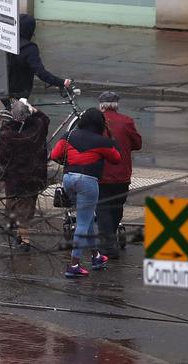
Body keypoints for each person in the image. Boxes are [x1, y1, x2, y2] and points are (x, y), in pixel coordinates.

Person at [50, 108, 120, 278]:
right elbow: (116, 158)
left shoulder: (68, 136)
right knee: (82, 222)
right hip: (88, 182)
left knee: (86, 219)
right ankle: (74, 264)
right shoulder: (102, 141)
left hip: (69, 180)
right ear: (99, 124)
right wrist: (109, 134)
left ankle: (96, 256)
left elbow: (54, 155)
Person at [0, 98, 50, 250]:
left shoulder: (7, 133)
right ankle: (21, 236)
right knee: (27, 205)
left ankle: (22, 238)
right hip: (35, 176)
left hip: (15, 177)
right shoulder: (38, 127)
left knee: (18, 206)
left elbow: (1, 156)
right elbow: (45, 118)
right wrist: (34, 109)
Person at [95, 91, 142, 257]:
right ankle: (110, 239)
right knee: (116, 207)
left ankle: (108, 245)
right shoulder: (127, 121)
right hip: (122, 174)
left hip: (101, 174)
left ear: (101, 105)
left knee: (102, 209)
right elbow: (137, 143)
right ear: (117, 104)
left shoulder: (95, 121)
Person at [4, 14, 71, 109]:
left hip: (4, 89)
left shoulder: (7, 41)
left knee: (15, 118)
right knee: (39, 120)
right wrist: (61, 82)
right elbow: (41, 72)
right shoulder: (29, 49)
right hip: (19, 92)